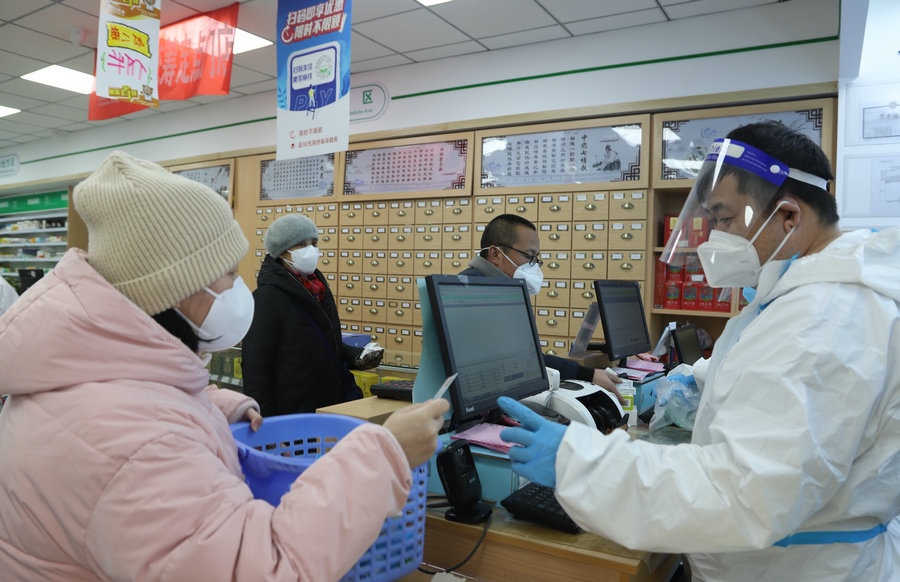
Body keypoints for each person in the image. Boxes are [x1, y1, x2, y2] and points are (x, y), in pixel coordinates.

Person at [0, 151, 449, 581]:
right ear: (176, 286)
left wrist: (212, 407)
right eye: (229, 273)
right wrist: (385, 458)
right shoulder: (136, 445)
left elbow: (139, 394)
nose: (238, 286)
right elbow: (264, 570)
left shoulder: (83, 375)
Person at [497, 121, 900, 581]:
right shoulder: (809, 297)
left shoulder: (824, 317)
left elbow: (743, 493)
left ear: (788, 216)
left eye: (724, 219)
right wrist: (692, 384)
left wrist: (580, 463)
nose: (714, 237)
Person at [459, 213, 640, 402]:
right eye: (529, 256)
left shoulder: (501, 288)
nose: (534, 266)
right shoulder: (475, 291)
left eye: (536, 259)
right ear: (495, 254)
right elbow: (523, 360)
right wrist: (587, 374)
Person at [242, 213, 383, 416]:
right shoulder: (266, 298)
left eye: (314, 243)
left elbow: (319, 341)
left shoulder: (318, 289)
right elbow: (256, 369)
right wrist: (267, 422)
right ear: (282, 252)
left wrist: (356, 356)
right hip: (292, 413)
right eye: (301, 244)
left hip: (328, 405)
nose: (310, 250)